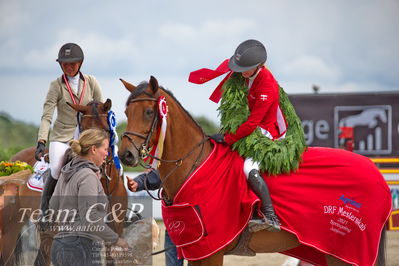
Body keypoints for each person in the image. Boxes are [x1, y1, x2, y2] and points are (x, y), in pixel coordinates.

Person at [35, 42, 104, 213]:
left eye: (72, 64)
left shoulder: (92, 82)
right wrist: (41, 140)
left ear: (80, 63)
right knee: (57, 168)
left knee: (107, 164)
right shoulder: (56, 85)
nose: (69, 67)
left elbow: (102, 110)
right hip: (62, 136)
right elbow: (47, 115)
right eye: (65, 64)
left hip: (86, 136)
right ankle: (45, 211)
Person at [49, 128, 129, 266]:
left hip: (59, 245)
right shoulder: (87, 175)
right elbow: (90, 219)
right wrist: (116, 239)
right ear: (93, 149)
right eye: (105, 149)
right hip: (82, 247)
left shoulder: (66, 172)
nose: (107, 153)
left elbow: (53, 205)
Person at [126, 170, 185, 266]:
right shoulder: (177, 161)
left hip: (195, 225)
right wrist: (138, 182)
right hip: (174, 223)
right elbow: (161, 173)